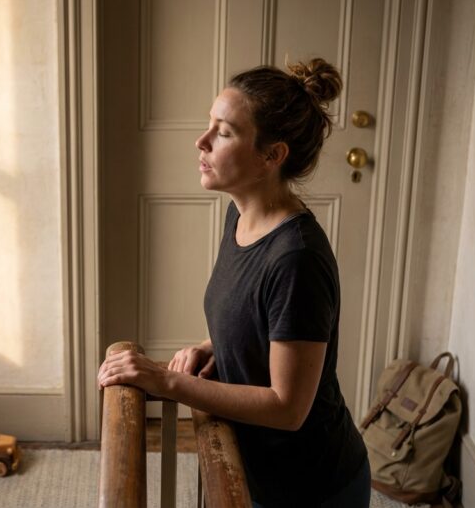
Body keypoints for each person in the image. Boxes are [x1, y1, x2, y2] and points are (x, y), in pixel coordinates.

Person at [97, 59, 371, 507]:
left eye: (223, 132)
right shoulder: (241, 216)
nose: (201, 141)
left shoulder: (297, 258)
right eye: (210, 124)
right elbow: (255, 315)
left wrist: (165, 381)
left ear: (272, 155)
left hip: (309, 487)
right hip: (256, 465)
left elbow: (287, 408)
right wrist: (213, 345)